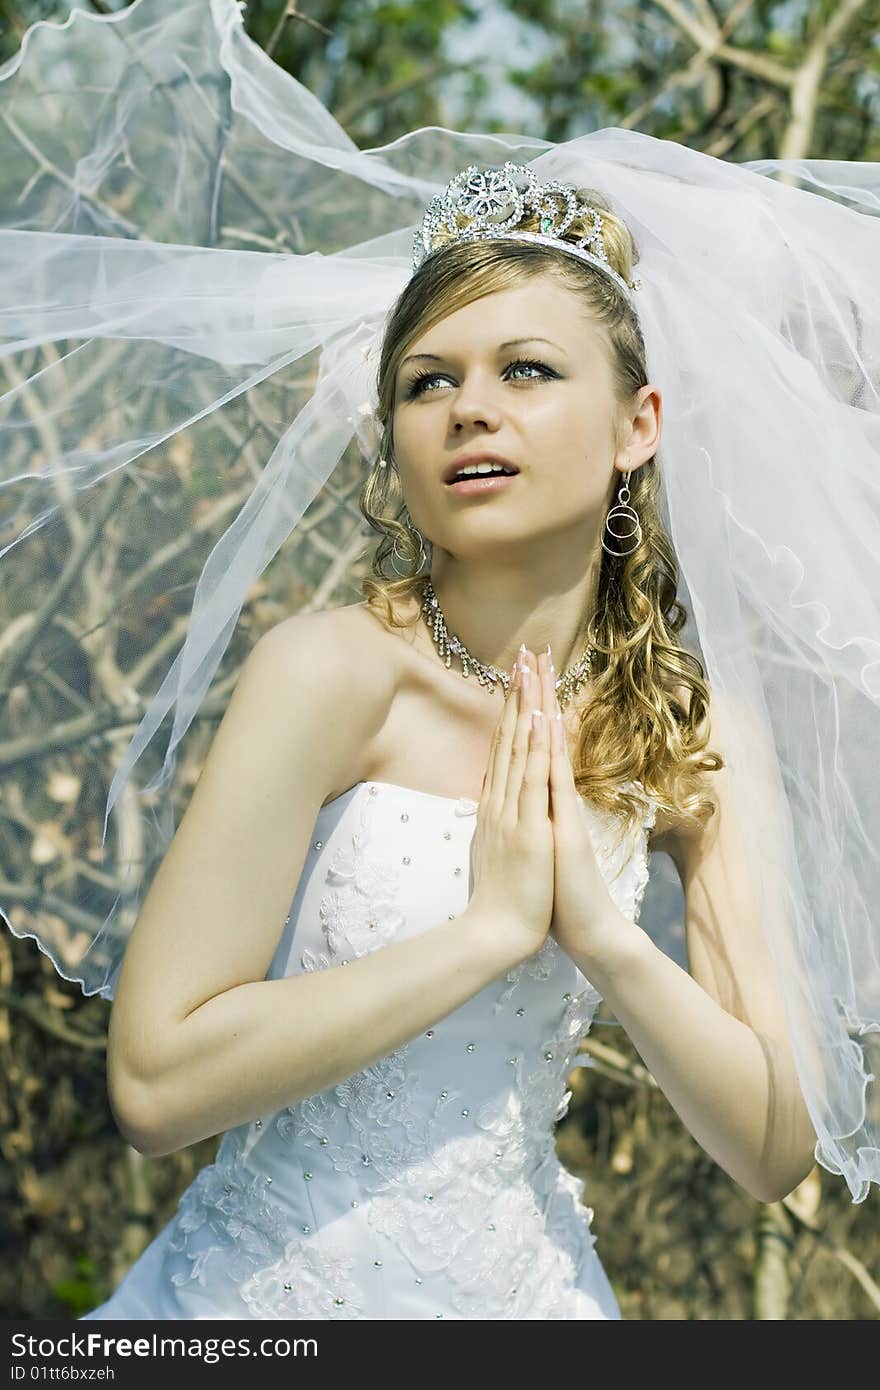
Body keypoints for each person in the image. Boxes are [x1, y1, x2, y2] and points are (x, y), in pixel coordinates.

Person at [1, 0, 878, 1321]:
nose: (470, 404)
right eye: (427, 380)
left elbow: (770, 1149)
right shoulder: (330, 671)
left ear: (639, 423)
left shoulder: (689, 729)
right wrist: (481, 938)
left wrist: (603, 936)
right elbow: (156, 1083)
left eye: (527, 369)